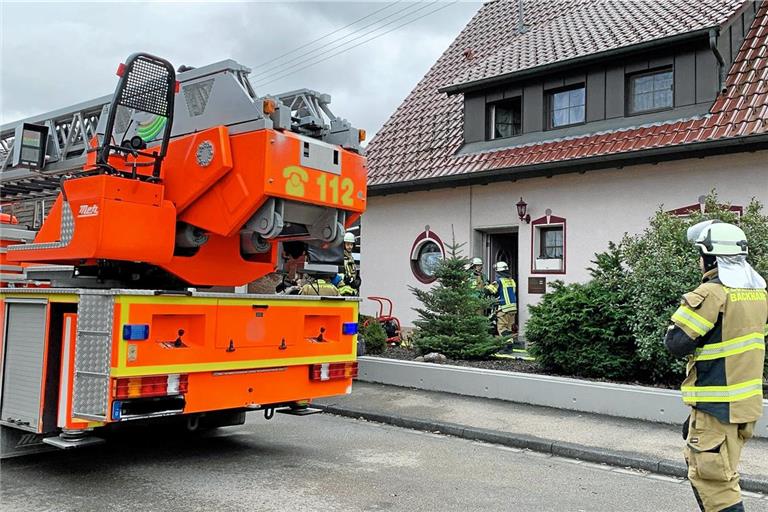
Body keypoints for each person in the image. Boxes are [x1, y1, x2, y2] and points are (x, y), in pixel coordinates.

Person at [664, 220, 767, 512]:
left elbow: (676, 343)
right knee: (723, 473)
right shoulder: (758, 294)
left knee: (714, 482)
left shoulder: (712, 293)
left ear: (710, 258)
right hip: (744, 406)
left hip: (716, 403)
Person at [485, 261, 517, 337]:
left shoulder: (499, 281)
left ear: (498, 271)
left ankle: (507, 346)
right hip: (512, 309)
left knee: (502, 328)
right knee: (509, 328)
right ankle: (510, 345)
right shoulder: (512, 281)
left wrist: (486, 285)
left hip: (503, 309)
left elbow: (488, 291)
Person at [342, 231, 361, 296]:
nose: (350, 247)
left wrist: (357, 278)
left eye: (351, 244)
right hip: (344, 288)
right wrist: (346, 279)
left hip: (352, 288)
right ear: (344, 245)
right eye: (347, 244)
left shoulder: (351, 257)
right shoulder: (340, 257)